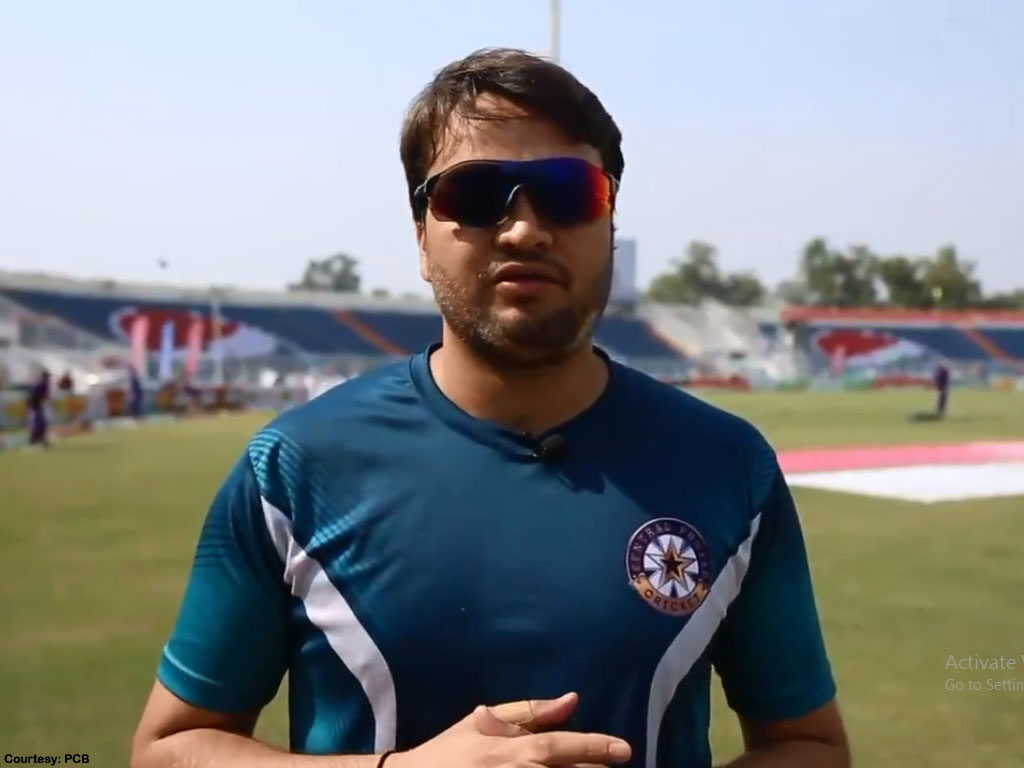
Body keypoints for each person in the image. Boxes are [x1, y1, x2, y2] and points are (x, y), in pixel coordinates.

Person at [131, 48, 849, 768]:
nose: (524, 229)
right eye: (475, 194)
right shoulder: (294, 469)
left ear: (610, 227)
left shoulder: (727, 465)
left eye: (569, 192)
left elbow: (809, 745)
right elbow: (168, 748)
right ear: (421, 237)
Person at [26, 368, 51, 448]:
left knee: (40, 424)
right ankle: (35, 440)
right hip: (35, 406)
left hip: (36, 405)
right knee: (37, 424)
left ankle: (39, 440)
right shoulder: (43, 384)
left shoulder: (40, 384)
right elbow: (44, 396)